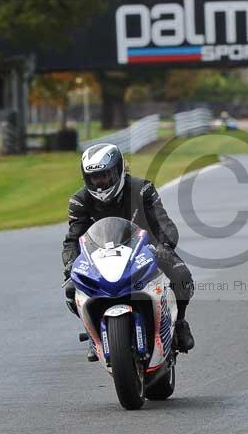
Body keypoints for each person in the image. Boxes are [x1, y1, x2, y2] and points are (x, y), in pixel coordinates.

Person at [62, 143, 195, 360]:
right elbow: (73, 239)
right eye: (95, 178)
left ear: (120, 170)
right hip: (102, 255)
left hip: (146, 249)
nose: (101, 182)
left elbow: (163, 224)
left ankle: (179, 322)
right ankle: (94, 333)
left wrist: (164, 246)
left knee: (181, 275)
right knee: (70, 289)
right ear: (86, 178)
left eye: (106, 176)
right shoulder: (79, 201)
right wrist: (70, 266)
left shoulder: (142, 189)